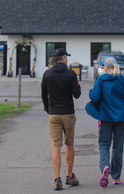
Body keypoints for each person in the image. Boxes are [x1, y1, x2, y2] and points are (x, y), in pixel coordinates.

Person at [86, 56, 124, 187]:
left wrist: (91, 92)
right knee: (118, 147)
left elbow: (95, 97)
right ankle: (116, 177)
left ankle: (105, 167)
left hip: (106, 118)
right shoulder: (122, 80)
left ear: (107, 67)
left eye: (103, 66)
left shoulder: (101, 80)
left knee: (104, 144)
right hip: (121, 118)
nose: (103, 68)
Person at [41, 48, 82, 191]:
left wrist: (48, 109)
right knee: (69, 145)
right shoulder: (71, 74)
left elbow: (43, 94)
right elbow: (76, 95)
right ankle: (69, 176)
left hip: (54, 114)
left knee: (56, 147)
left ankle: (57, 179)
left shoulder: (47, 74)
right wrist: (78, 85)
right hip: (68, 114)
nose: (67, 59)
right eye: (66, 57)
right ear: (63, 58)